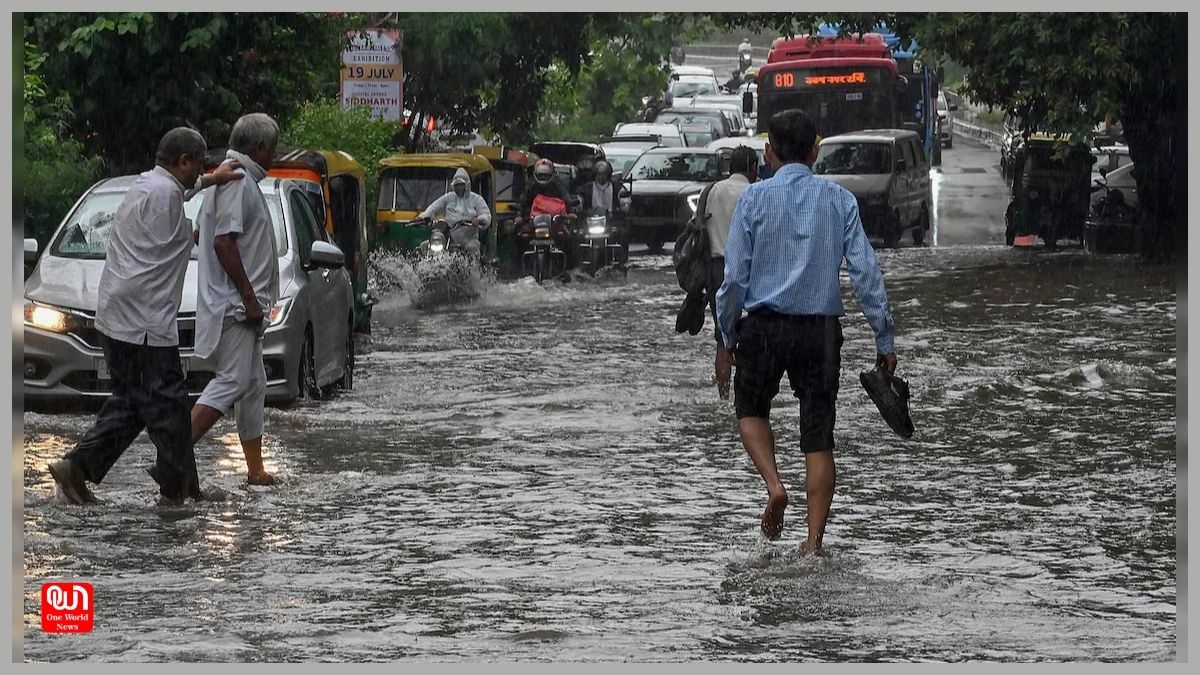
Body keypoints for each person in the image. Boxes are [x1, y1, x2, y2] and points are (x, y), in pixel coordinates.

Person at [715, 109, 897, 553]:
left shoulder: (753, 201)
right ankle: (814, 542)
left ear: (768, 152)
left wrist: (724, 338)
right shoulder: (839, 201)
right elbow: (865, 272)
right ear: (816, 150)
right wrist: (884, 337)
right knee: (819, 437)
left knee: (751, 411)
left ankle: (775, 486)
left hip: (761, 326)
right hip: (819, 332)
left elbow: (735, 278)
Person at [47, 128, 246, 506]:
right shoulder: (166, 196)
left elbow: (180, 190)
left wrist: (207, 181)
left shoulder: (146, 184)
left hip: (119, 317)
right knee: (170, 406)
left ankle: (79, 467)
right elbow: (191, 235)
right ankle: (178, 492)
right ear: (183, 161)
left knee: (134, 403)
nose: (201, 171)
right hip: (144, 325)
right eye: (199, 164)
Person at [191, 113, 282, 486]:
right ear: (258, 148)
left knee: (253, 384)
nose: (275, 154)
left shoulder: (231, 178)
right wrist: (247, 297)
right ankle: (173, 452)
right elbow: (221, 241)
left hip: (242, 304)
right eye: (273, 147)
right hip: (237, 306)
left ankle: (255, 469)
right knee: (231, 381)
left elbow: (202, 233)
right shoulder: (236, 180)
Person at [703, 146, 757, 400]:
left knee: (722, 336)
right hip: (750, 267)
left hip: (716, 268)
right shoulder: (756, 192)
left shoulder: (712, 190)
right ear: (752, 167)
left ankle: (723, 397)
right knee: (756, 330)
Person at [417, 167, 492, 258]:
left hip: (469, 238)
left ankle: (473, 271)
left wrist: (479, 220)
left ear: (466, 184)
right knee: (425, 246)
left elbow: (486, 214)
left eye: (460, 185)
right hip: (449, 237)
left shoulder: (476, 199)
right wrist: (423, 216)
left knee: (472, 249)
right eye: (456, 185)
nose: (458, 187)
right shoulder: (449, 197)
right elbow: (434, 207)